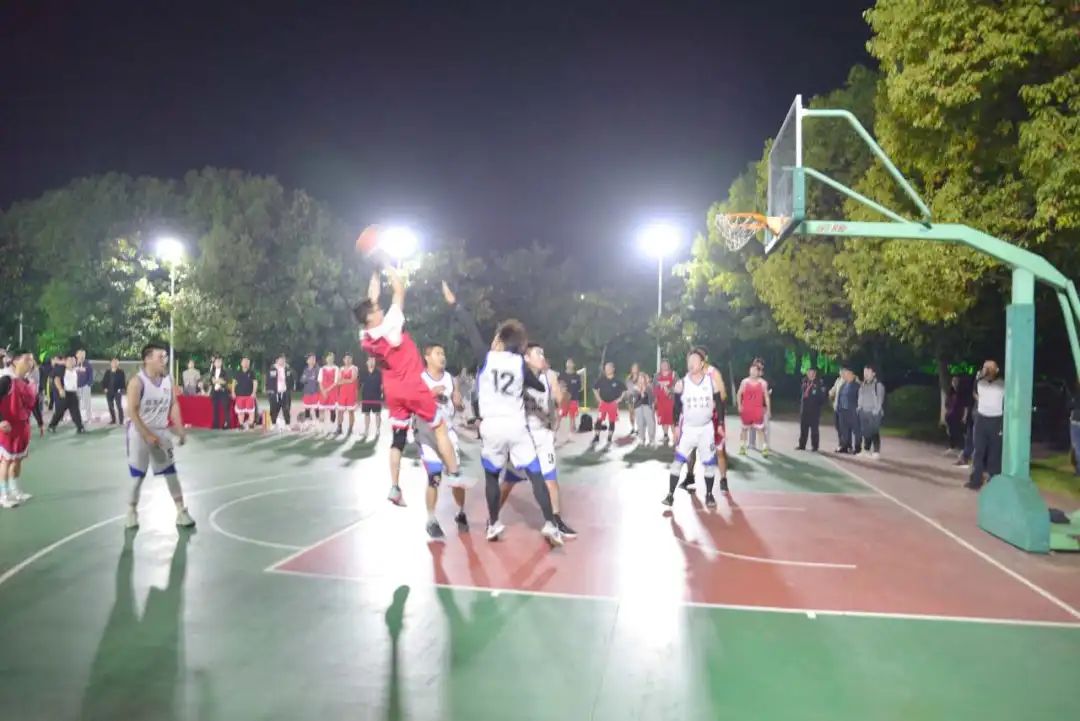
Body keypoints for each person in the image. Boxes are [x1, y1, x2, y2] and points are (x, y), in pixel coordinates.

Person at [443, 281, 563, 546]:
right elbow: (537, 385)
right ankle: (550, 523)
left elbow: (470, 329)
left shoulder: (486, 357)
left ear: (499, 340)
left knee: (491, 476)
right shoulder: (520, 363)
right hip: (517, 426)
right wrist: (537, 381)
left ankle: (494, 523)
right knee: (535, 475)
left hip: (492, 427)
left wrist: (456, 304)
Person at [354, 268, 464, 507]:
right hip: (412, 384)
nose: (380, 309)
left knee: (398, 439)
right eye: (377, 309)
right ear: (372, 317)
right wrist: (387, 263)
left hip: (392, 390)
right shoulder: (391, 325)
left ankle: (395, 487)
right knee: (440, 427)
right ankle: (455, 474)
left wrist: (374, 273)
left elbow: (371, 301)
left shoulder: (366, 335)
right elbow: (399, 290)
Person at [500, 346, 578, 537]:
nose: (542, 356)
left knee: (551, 480)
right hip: (523, 438)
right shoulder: (517, 377)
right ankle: (493, 517)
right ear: (527, 358)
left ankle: (556, 521)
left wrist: (563, 396)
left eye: (543, 353)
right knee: (509, 482)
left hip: (543, 436)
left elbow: (561, 402)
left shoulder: (549, 376)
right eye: (538, 353)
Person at [124, 343, 195, 529]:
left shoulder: (168, 380)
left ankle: (181, 511)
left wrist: (180, 429)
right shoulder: (137, 382)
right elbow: (132, 412)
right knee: (138, 477)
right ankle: (131, 511)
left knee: (171, 473)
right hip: (139, 433)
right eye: (160, 357)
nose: (164, 360)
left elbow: (173, 404)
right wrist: (147, 435)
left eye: (165, 357)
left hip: (161, 433)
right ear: (148, 359)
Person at [663, 348, 728, 507]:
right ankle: (670, 495)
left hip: (706, 429)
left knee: (709, 464)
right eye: (689, 361)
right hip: (688, 429)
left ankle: (709, 495)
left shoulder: (711, 382)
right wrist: (676, 426)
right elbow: (676, 407)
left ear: (702, 363)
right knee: (678, 461)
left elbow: (719, 404)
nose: (691, 363)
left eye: (694, 360)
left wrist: (720, 424)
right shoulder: (681, 384)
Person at [417, 343, 469, 539]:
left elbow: (457, 406)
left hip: (448, 433)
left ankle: (461, 512)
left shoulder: (450, 379)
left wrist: (459, 404)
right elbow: (412, 403)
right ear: (427, 357)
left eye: (443, 353)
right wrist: (430, 394)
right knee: (434, 475)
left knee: (456, 478)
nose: (442, 356)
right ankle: (431, 520)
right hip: (427, 434)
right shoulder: (420, 379)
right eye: (438, 353)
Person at [0, 350, 45, 508]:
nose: (30, 363)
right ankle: (4, 495)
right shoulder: (6, 380)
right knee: (6, 461)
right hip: (7, 428)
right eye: (27, 360)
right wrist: (1, 421)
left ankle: (15, 490)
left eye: (32, 360)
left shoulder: (29, 382)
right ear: (15, 361)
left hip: (23, 427)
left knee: (17, 460)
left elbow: (34, 404)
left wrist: (40, 422)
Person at [967, 359, 1004, 491]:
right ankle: (976, 479)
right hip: (982, 418)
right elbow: (975, 392)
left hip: (996, 419)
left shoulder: (1001, 384)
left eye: (989, 368)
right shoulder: (981, 383)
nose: (987, 370)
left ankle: (993, 479)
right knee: (979, 450)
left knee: (994, 451)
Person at [737, 359, 770, 456]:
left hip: (757, 410)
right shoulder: (744, 382)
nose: (753, 372)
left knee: (760, 430)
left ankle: (764, 448)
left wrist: (768, 409)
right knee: (744, 429)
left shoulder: (763, 383)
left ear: (759, 372)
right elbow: (739, 394)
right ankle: (742, 447)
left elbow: (766, 397)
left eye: (755, 370)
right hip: (746, 410)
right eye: (751, 370)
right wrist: (739, 405)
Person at [48, 355, 86, 433]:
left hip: (73, 394)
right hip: (65, 394)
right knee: (59, 412)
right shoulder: (62, 370)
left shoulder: (75, 370)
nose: (72, 362)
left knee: (76, 412)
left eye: (73, 361)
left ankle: (80, 428)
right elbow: (56, 379)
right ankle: (51, 426)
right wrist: (60, 389)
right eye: (69, 360)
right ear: (66, 362)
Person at [591, 361, 624, 447]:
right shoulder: (601, 380)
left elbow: (624, 390)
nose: (607, 370)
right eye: (606, 368)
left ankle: (609, 438)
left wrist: (619, 399)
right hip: (603, 404)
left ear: (613, 369)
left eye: (609, 368)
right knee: (599, 420)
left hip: (612, 404)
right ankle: (596, 437)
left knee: (612, 421)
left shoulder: (617, 381)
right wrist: (599, 399)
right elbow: (594, 389)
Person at [858, 365, 886, 457]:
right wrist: (859, 408)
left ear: (873, 373)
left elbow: (880, 399)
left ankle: (876, 451)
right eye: (864, 372)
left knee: (874, 431)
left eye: (868, 372)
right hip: (864, 411)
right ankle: (866, 450)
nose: (865, 374)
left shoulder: (878, 385)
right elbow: (860, 396)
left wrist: (876, 411)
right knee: (866, 432)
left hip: (874, 412)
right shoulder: (863, 385)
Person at [797, 367, 827, 451]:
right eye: (808, 372)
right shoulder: (805, 382)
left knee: (814, 429)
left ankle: (815, 446)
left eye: (811, 372)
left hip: (814, 410)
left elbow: (822, 397)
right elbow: (802, 394)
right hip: (804, 409)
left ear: (815, 373)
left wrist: (817, 405)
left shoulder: (819, 383)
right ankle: (802, 445)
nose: (810, 374)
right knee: (803, 428)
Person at [835, 366, 860, 454]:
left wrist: (858, 409)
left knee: (856, 431)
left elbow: (859, 399)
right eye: (844, 374)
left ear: (851, 374)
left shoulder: (857, 386)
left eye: (846, 374)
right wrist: (838, 408)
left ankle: (857, 448)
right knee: (844, 430)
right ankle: (844, 446)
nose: (845, 375)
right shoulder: (843, 385)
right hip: (843, 411)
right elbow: (839, 397)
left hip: (853, 412)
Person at [557, 358, 583, 439]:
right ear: (566, 364)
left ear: (573, 365)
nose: (569, 364)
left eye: (571, 363)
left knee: (572, 417)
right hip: (564, 399)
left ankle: (571, 434)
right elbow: (558, 385)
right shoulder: (562, 375)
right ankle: (555, 431)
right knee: (559, 416)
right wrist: (562, 389)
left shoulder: (577, 376)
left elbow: (579, 388)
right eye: (568, 363)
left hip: (573, 399)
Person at [359, 355, 383, 439]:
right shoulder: (363, 372)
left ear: (375, 362)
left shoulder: (379, 372)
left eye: (373, 360)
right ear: (367, 362)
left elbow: (382, 385)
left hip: (376, 397)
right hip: (366, 397)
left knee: (378, 414)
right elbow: (360, 384)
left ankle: (378, 430)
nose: (372, 362)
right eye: (370, 360)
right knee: (366, 414)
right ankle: (366, 430)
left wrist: (381, 394)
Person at [267, 354, 294, 431]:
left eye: (283, 360)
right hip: (275, 393)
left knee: (286, 409)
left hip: (285, 393)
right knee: (273, 409)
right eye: (281, 359)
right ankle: (273, 423)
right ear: (277, 360)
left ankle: (287, 424)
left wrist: (290, 389)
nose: (282, 361)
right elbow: (268, 381)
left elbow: (291, 380)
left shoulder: (288, 369)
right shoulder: (272, 369)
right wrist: (269, 391)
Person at [336, 353, 360, 436]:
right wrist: (347, 380)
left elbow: (353, 379)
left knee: (351, 412)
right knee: (340, 411)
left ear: (351, 359)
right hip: (342, 393)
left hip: (351, 393)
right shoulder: (341, 368)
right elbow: (338, 381)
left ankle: (350, 429)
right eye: (346, 358)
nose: (348, 360)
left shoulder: (354, 368)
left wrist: (343, 380)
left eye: (349, 358)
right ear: (343, 360)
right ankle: (339, 428)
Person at [654, 358, 676, 445]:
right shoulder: (657, 376)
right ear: (660, 366)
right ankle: (666, 436)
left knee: (672, 420)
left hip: (671, 401)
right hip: (660, 402)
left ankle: (675, 437)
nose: (664, 366)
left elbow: (678, 385)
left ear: (669, 365)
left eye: (666, 364)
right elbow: (654, 387)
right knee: (663, 419)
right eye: (663, 364)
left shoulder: (673, 374)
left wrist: (670, 390)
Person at [232, 356, 258, 430]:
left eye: (247, 362)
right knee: (240, 411)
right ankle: (241, 424)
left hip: (249, 395)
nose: (246, 363)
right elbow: (233, 383)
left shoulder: (252, 372)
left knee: (251, 411)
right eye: (244, 362)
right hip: (239, 395)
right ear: (241, 363)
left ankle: (251, 424)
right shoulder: (237, 372)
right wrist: (233, 392)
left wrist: (254, 392)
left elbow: (255, 382)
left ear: (249, 363)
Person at [101, 358, 127, 425]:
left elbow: (123, 382)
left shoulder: (121, 372)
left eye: (116, 362)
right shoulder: (108, 372)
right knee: (110, 406)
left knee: (119, 406)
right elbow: (104, 381)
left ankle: (121, 420)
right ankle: (113, 420)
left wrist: (121, 389)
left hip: (117, 392)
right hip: (109, 392)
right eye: (113, 362)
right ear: (111, 364)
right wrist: (104, 388)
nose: (114, 364)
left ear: (118, 364)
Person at [634, 372, 656, 446]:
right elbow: (634, 400)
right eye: (639, 378)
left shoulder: (648, 387)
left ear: (644, 379)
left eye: (642, 378)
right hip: (638, 407)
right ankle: (642, 438)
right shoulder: (635, 388)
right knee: (640, 423)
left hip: (647, 407)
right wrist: (639, 392)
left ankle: (651, 439)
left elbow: (652, 399)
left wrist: (652, 407)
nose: (641, 380)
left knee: (650, 423)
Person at [208, 356, 231, 430]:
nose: (218, 363)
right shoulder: (212, 371)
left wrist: (217, 381)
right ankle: (215, 424)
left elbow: (226, 381)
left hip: (223, 392)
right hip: (215, 392)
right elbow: (211, 381)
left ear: (221, 363)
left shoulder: (225, 371)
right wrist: (218, 380)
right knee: (215, 408)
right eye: (216, 362)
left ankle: (227, 424)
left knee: (225, 408)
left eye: (219, 362)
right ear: (214, 363)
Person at [74, 349, 93, 424]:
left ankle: (88, 418)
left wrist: (88, 384)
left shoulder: (88, 364)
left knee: (87, 403)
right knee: (76, 403)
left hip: (85, 386)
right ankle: (77, 418)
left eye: (83, 354)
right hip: (75, 387)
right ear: (77, 355)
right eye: (80, 354)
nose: (82, 356)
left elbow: (91, 375)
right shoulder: (73, 364)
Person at [625, 362, 641, 435]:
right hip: (630, 397)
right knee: (631, 413)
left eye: (635, 368)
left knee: (637, 413)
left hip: (638, 397)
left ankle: (638, 428)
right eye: (633, 368)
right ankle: (633, 428)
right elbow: (627, 388)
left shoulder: (640, 377)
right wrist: (627, 393)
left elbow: (643, 387)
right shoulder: (628, 378)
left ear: (638, 369)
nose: (634, 369)